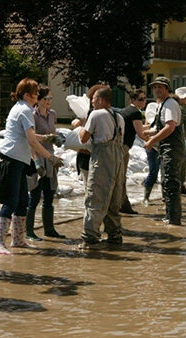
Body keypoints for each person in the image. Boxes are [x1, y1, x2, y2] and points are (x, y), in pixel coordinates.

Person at [0, 79, 62, 254]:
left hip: (20, 161)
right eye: (35, 93)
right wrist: (50, 157)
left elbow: (29, 135)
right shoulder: (24, 110)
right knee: (11, 200)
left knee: (23, 201)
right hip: (12, 160)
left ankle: (18, 239)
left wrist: (46, 138)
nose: (38, 95)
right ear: (26, 95)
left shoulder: (25, 109)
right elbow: (30, 140)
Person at [77, 86, 126, 247]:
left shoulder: (96, 114)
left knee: (95, 197)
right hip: (118, 158)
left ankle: (90, 238)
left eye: (93, 100)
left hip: (103, 157)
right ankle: (114, 235)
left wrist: (80, 125)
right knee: (113, 198)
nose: (91, 103)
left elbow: (84, 138)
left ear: (100, 100)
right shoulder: (119, 117)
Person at [26, 85, 66, 240]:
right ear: (39, 100)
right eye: (46, 98)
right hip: (37, 157)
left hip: (50, 157)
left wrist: (57, 139)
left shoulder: (52, 114)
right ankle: (29, 231)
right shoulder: (32, 116)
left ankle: (49, 229)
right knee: (35, 195)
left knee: (49, 194)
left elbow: (53, 133)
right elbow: (31, 140)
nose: (49, 101)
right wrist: (36, 163)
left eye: (50, 98)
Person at [144, 77, 185, 225]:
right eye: (154, 87)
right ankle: (170, 216)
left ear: (167, 89)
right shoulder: (162, 105)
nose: (157, 90)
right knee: (167, 182)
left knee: (171, 182)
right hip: (167, 148)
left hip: (172, 148)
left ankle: (174, 219)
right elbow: (160, 127)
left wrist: (151, 140)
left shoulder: (170, 104)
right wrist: (147, 132)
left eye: (160, 87)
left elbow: (170, 127)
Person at [118, 89, 148, 214]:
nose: (143, 101)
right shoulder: (136, 112)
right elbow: (141, 133)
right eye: (140, 99)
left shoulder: (125, 110)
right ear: (133, 100)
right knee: (121, 178)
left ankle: (121, 204)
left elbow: (137, 127)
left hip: (119, 145)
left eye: (144, 98)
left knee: (119, 177)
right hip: (124, 147)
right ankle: (123, 205)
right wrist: (155, 139)